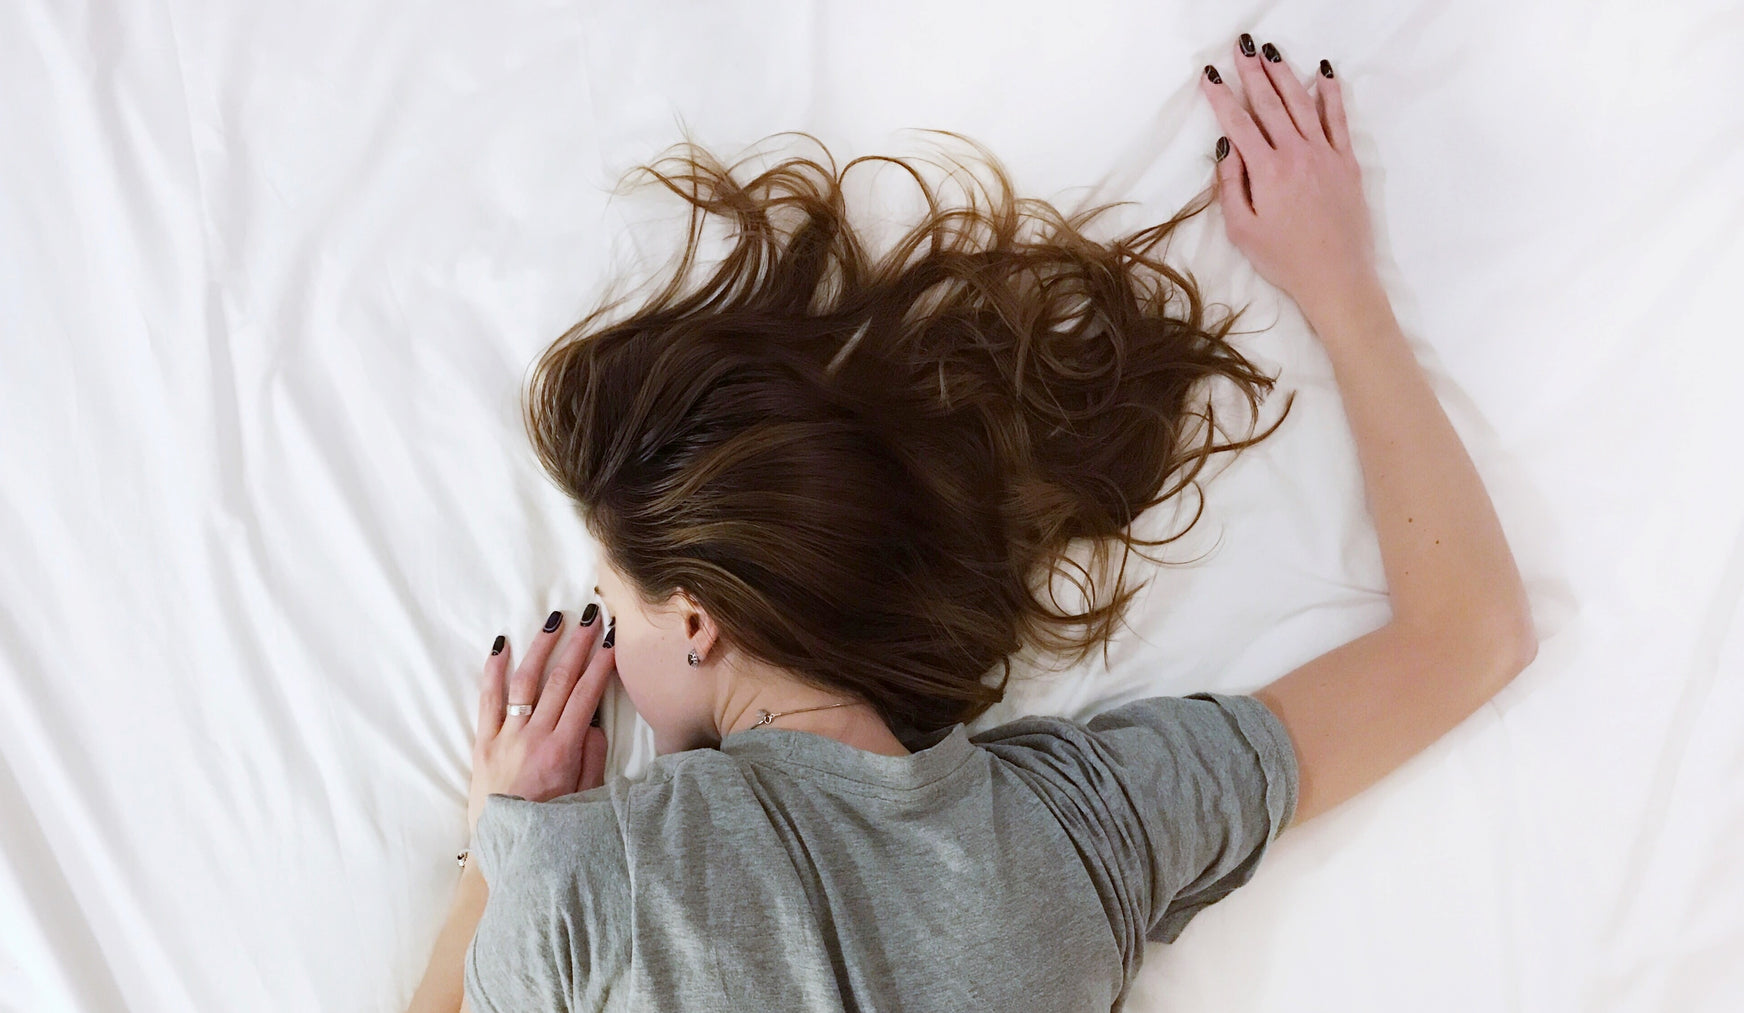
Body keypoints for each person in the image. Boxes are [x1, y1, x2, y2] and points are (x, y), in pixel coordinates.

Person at [404, 32, 1537, 1013]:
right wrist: (1341, 289)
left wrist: (495, 842)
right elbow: (1470, 635)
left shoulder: (581, 885)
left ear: (695, 617)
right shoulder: (1085, 834)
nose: (608, 642)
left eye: (612, 606)